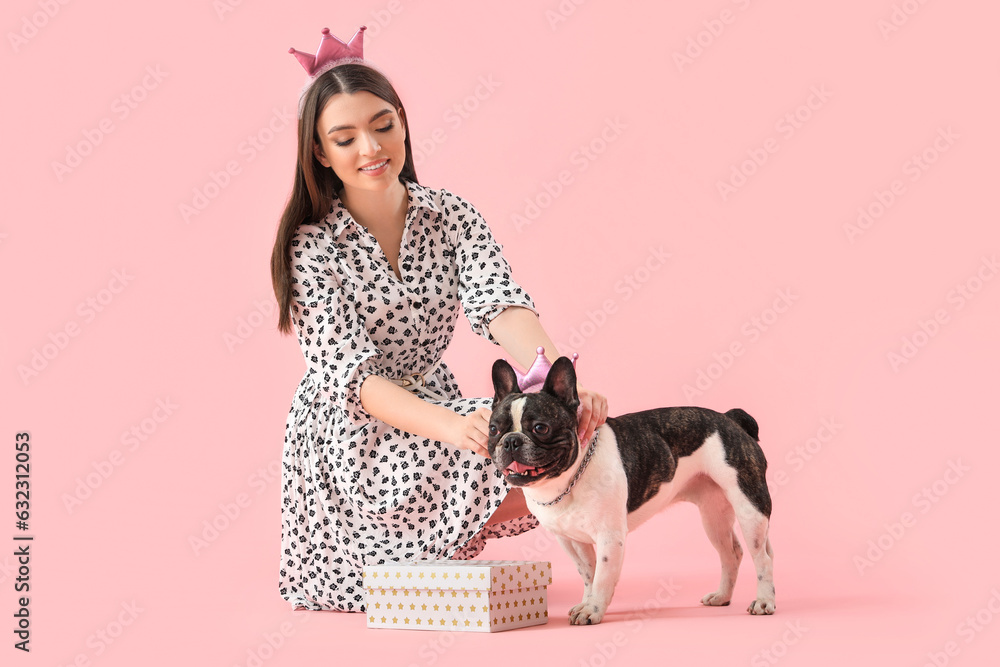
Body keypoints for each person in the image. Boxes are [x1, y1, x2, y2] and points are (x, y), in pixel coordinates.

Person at [270, 31, 607, 612]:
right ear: (320, 153)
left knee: (570, 439)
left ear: (402, 122)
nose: (370, 147)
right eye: (344, 138)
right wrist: (453, 428)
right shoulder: (312, 246)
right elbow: (355, 378)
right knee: (493, 450)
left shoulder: (451, 216)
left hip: (439, 401)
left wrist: (558, 384)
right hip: (351, 431)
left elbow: (500, 303)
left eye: (382, 125)